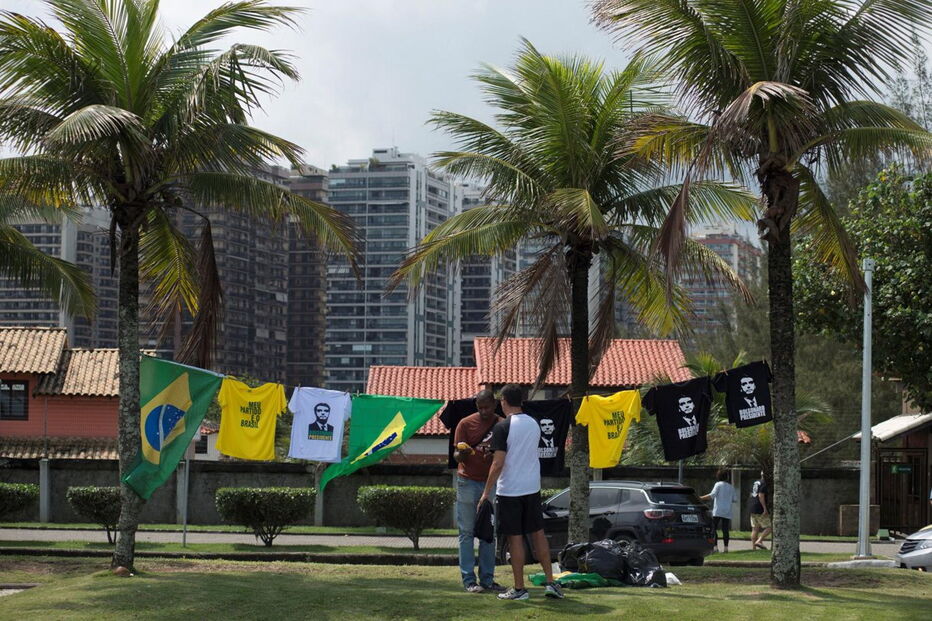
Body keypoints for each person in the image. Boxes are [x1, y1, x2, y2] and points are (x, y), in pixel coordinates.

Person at [479, 384, 564, 601]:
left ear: (504, 401)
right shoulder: (534, 423)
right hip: (532, 487)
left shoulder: (502, 427)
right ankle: (551, 583)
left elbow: (498, 463)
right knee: (538, 534)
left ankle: (519, 589)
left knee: (515, 539)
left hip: (510, 490)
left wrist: (486, 492)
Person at [452, 389, 503, 593]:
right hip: (467, 481)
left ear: (495, 405)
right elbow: (456, 455)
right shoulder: (465, 424)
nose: (483, 411)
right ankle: (469, 580)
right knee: (466, 532)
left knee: (488, 533)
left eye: (487, 407)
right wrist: (462, 454)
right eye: (480, 408)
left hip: (491, 483)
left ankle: (487, 579)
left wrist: (493, 456)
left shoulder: (502, 424)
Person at [700, 469, 736, 553]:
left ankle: (715, 547)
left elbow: (712, 495)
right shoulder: (731, 487)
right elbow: (735, 499)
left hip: (718, 510)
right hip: (727, 511)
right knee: (725, 530)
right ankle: (726, 548)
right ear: (727, 477)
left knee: (714, 528)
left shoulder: (718, 484)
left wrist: (700, 498)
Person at [748, 470, 772, 550]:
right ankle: (759, 541)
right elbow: (761, 495)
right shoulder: (764, 483)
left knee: (755, 528)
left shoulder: (755, 482)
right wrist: (765, 508)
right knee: (770, 527)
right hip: (759, 507)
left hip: (752, 507)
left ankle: (754, 548)